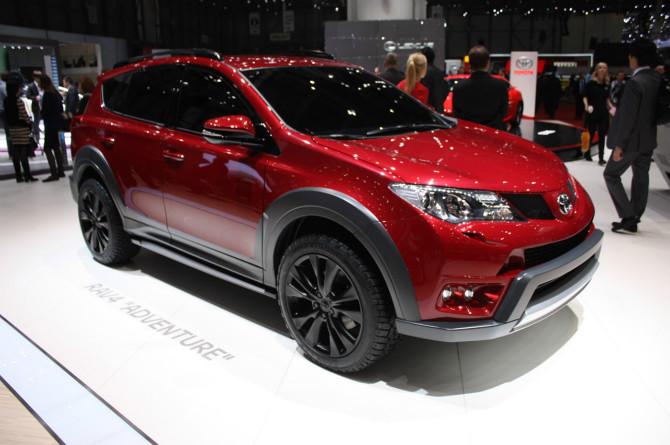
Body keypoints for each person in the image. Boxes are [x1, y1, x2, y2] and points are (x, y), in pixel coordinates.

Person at [604, 39, 662, 233]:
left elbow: (628, 118)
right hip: (648, 139)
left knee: (611, 174)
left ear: (635, 58)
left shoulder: (635, 83)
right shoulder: (656, 79)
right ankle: (635, 215)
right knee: (641, 175)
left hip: (631, 141)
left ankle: (628, 216)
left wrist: (620, 146)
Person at [452, 45, 507, 130]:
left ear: (469, 63)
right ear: (488, 63)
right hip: (493, 132)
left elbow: (456, 114)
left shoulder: (459, 87)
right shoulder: (500, 86)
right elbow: (503, 112)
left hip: (468, 132)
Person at [3, 81, 37, 182]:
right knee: (23, 153)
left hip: (12, 129)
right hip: (22, 129)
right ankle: (27, 175)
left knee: (15, 153)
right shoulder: (19, 101)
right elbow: (24, 115)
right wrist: (29, 122)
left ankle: (18, 176)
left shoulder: (6, 101)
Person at [583, 62, 613, 164]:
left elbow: (607, 100)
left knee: (602, 134)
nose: (602, 69)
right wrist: (586, 106)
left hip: (603, 112)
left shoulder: (607, 85)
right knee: (591, 133)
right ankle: (587, 153)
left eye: (604, 68)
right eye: (600, 68)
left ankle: (601, 158)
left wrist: (613, 110)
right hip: (592, 112)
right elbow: (585, 96)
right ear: (596, 70)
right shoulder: (590, 83)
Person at [38, 74, 65, 182]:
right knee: (56, 147)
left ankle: (54, 173)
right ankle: (61, 171)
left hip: (50, 125)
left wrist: (41, 112)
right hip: (57, 124)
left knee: (47, 148)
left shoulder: (47, 95)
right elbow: (60, 109)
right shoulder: (56, 93)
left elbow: (46, 112)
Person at [420, 46, 447, 113]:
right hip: (438, 110)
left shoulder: (422, 74)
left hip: (426, 110)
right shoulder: (440, 73)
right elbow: (445, 89)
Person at [25, 70, 42, 146]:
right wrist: (35, 98)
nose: (39, 78)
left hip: (44, 105)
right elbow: (28, 96)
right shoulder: (31, 86)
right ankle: (37, 138)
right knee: (36, 122)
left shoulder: (42, 84)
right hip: (36, 106)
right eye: (38, 77)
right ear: (34, 77)